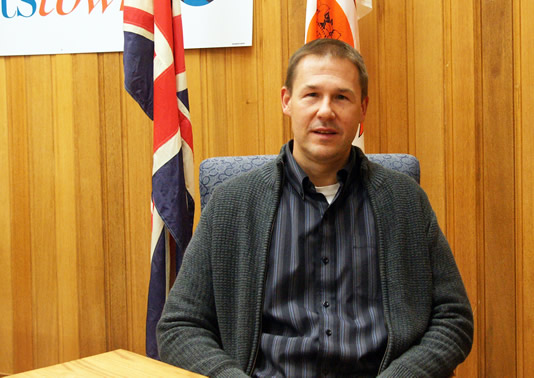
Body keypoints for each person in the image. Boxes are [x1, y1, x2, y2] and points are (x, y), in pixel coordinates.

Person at [156, 38, 474, 377]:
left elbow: (453, 318)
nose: (326, 110)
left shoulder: (405, 201)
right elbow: (180, 325)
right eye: (312, 95)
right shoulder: (231, 204)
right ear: (287, 101)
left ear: (362, 108)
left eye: (341, 96)